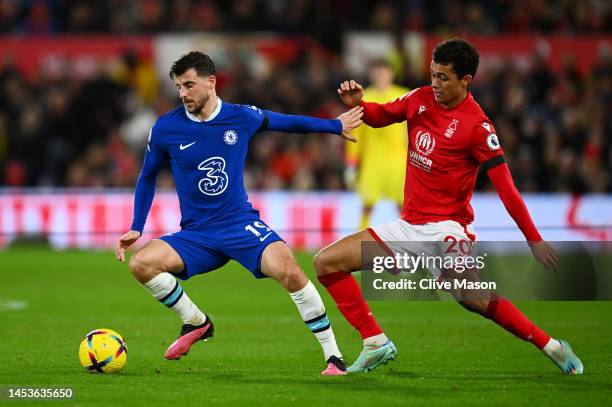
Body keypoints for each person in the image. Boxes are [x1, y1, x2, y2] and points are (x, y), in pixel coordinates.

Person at [315, 38, 583, 375]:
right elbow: (382, 116)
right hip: (408, 227)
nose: (435, 84)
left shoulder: (478, 127)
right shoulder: (420, 99)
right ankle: (375, 342)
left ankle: (552, 346)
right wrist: (361, 105)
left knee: (472, 298)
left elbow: (508, 192)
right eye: (432, 75)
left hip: (447, 229)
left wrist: (533, 238)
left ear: (465, 80)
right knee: (326, 262)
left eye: (443, 77)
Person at [115, 51, 364, 376]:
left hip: (239, 224)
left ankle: (334, 357)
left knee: (289, 271)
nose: (183, 94)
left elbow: (286, 122)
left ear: (211, 82)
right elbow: (147, 176)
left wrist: (334, 126)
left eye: (189, 85)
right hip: (196, 234)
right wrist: (137, 225)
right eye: (179, 87)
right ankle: (196, 322)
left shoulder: (240, 117)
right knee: (141, 264)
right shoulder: (165, 128)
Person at [345, 59, 408, 230]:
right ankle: (359, 243)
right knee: (367, 205)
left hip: (399, 161)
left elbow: (413, 130)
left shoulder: (404, 96)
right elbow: (355, 132)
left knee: (403, 205)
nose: (380, 75)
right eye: (377, 72)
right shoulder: (364, 98)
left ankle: (409, 241)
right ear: (371, 74)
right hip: (372, 162)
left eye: (383, 72)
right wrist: (351, 164)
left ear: (391, 74)